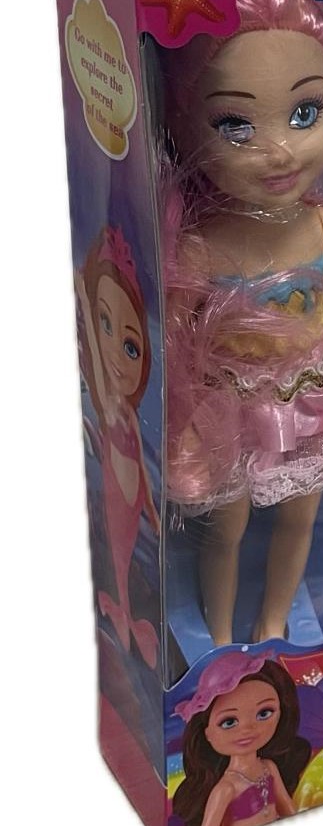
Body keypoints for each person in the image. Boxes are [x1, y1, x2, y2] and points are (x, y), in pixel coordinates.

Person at [162, 0, 323, 644]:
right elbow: (173, 343)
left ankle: (272, 624)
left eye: (304, 112)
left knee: (300, 517)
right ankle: (217, 638)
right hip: (228, 415)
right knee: (224, 529)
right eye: (237, 124)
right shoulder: (201, 246)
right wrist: (182, 423)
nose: (279, 151)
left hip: (312, 400)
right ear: (188, 123)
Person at [77, 225, 160, 666]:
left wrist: (152, 510)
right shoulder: (108, 403)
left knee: (125, 558)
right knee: (119, 560)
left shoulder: (127, 412)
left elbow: (143, 465)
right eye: (104, 323)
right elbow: (94, 347)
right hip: (116, 491)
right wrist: (84, 299)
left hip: (131, 495)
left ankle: (126, 616)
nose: (116, 352)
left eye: (131, 347)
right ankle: (123, 614)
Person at [172, 650, 309, 826]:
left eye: (264, 713)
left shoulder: (269, 768)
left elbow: (288, 810)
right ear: (207, 733)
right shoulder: (226, 788)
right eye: (229, 722)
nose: (248, 729)